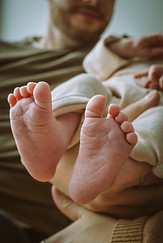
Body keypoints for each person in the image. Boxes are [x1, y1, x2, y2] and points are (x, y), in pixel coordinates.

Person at [0, 0, 163, 240]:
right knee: (86, 84)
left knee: (152, 126)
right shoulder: (109, 56)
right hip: (12, 217)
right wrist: (115, 49)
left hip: (135, 116)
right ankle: (53, 140)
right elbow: (93, 66)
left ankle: (112, 173)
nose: (95, 1)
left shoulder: (143, 51)